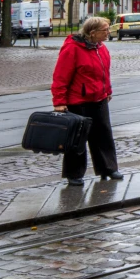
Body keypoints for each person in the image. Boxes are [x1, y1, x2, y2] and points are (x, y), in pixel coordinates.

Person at [51, 15, 122, 185]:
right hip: (78, 100)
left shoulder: (101, 48)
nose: (108, 33)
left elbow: (105, 72)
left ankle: (108, 168)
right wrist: (59, 101)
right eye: (105, 30)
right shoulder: (72, 49)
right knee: (77, 139)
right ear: (92, 32)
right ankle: (74, 174)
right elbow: (61, 76)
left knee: (104, 135)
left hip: (99, 98)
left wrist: (108, 91)